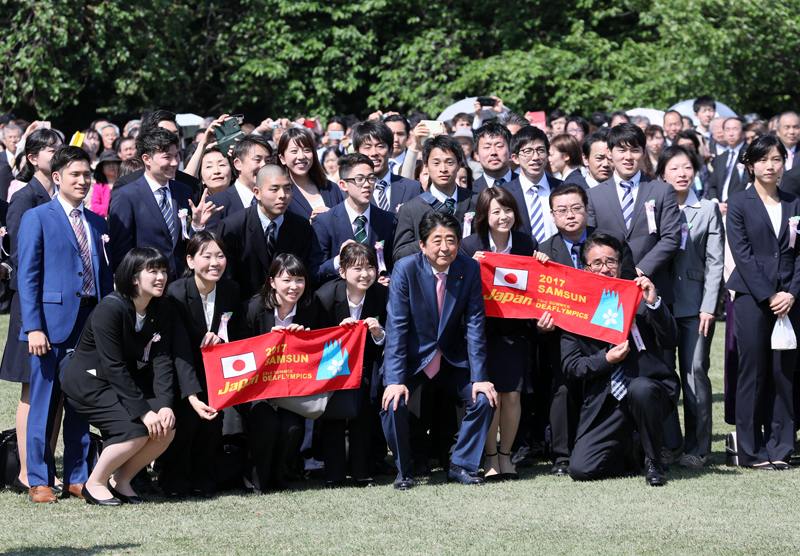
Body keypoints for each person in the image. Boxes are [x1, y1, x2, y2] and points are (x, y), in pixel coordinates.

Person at [17, 147, 114, 503]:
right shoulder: (37, 217)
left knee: (81, 401)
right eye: (75, 174)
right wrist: (34, 327)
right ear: (57, 177)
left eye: (87, 174)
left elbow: (105, 276)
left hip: (90, 322)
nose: (83, 180)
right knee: (44, 402)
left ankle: (77, 476)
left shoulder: (98, 222)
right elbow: (27, 277)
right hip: (51, 324)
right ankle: (39, 479)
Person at [381, 211, 497, 489]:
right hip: (412, 361)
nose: (445, 247)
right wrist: (395, 380)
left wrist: (480, 377)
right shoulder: (405, 269)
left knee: (484, 399)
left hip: (450, 361)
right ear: (422, 245)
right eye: (437, 241)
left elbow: (474, 325)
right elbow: (396, 327)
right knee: (392, 402)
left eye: (451, 240)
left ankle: (461, 465)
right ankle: (404, 471)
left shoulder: (468, 268)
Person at [563, 232, 680, 486]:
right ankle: (630, 450)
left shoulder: (639, 295)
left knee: (640, 388)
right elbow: (571, 366)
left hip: (650, 389)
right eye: (597, 263)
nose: (605, 268)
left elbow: (671, 340)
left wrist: (655, 304)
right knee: (581, 470)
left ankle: (653, 462)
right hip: (607, 398)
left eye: (611, 262)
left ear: (620, 264)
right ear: (586, 268)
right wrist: (606, 359)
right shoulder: (575, 305)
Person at [61, 247, 176, 505]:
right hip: (88, 381)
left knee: (166, 429)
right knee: (136, 429)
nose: (161, 277)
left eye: (164, 271)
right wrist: (145, 411)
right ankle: (95, 483)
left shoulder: (160, 308)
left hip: (123, 382)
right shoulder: (109, 309)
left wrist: (165, 406)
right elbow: (114, 366)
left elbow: (162, 358)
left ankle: (121, 481)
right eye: (153, 271)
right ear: (134, 277)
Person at [537, 184, 637, 476]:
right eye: (562, 210)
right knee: (563, 386)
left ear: (586, 210)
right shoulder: (544, 250)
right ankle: (562, 456)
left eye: (576, 208)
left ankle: (624, 445)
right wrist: (542, 326)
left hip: (609, 330)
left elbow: (626, 283)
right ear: (553, 216)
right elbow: (540, 298)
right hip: (566, 335)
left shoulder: (609, 242)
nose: (570, 215)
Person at [459, 187, 552, 480]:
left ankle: (505, 454)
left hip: (514, 332)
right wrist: (469, 268)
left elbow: (538, 285)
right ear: (484, 215)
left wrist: (542, 264)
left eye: (508, 210)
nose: (503, 217)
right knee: (489, 396)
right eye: (496, 211)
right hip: (481, 331)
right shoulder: (468, 245)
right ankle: (489, 458)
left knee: (512, 396)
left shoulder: (527, 243)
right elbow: (458, 289)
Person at [726, 134, 800, 470]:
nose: (771, 166)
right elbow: (741, 254)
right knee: (752, 372)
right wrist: (769, 294)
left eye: (777, 159)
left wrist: (791, 292)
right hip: (752, 298)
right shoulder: (739, 203)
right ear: (750, 164)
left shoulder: (795, 203)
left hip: (790, 300)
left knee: (783, 372)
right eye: (763, 160)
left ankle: (781, 446)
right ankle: (751, 450)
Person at [0, 128, 62, 494]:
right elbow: (24, 262)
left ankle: (44, 467)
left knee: (54, 392)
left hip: (60, 307)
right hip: (32, 305)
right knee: (31, 390)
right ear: (33, 158)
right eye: (51, 150)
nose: (58, 155)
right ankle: (27, 471)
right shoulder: (25, 198)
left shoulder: (61, 196)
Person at [157, 231, 240, 499]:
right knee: (187, 422)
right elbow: (178, 348)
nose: (215, 262)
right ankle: (174, 478)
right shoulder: (176, 294)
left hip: (216, 372)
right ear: (191, 261)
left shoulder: (231, 290)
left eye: (220, 255)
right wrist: (191, 394)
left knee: (213, 424)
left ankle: (204, 478)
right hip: (181, 367)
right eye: (207, 256)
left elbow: (236, 334)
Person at [655, 146, 724, 468]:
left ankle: (699, 447)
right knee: (665, 375)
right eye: (674, 168)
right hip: (661, 305)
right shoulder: (652, 207)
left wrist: (710, 306)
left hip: (697, 307)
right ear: (662, 174)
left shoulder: (707, 208)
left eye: (687, 168)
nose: (682, 174)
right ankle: (672, 444)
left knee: (696, 372)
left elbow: (715, 262)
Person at [314, 243, 387, 488]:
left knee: (364, 414)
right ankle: (334, 474)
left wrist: (378, 332)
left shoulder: (381, 296)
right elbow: (314, 337)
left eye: (370, 268)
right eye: (357, 268)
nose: (365, 274)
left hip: (366, 365)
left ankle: (362, 471)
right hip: (332, 366)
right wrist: (336, 334)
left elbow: (388, 338)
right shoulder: (325, 296)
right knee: (333, 415)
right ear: (342, 272)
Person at [241, 253, 313, 492]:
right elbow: (240, 353)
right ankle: (255, 478)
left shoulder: (308, 310)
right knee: (268, 423)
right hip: (256, 389)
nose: (294, 287)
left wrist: (304, 339)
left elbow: (318, 352)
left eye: (300, 280)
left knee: (292, 427)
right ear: (272, 282)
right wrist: (266, 344)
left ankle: (280, 475)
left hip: (291, 389)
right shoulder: (253, 310)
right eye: (287, 280)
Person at [586, 123, 682, 305]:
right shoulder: (593, 195)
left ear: (644, 152)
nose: (628, 157)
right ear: (609, 152)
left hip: (652, 284)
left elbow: (671, 238)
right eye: (621, 150)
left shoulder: (662, 191)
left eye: (635, 150)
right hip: (608, 288)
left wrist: (641, 269)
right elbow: (591, 242)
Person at [107, 127, 219, 279]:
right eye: (167, 157)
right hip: (146, 289)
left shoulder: (184, 191)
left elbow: (186, 244)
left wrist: (197, 226)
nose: (174, 163)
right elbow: (121, 254)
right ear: (146, 159)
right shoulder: (126, 196)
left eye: (177, 156)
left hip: (182, 285)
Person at [218, 164, 312, 300]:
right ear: (257, 193)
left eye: (287, 189)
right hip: (246, 309)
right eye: (274, 189)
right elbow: (228, 279)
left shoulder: (301, 226)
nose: (283, 195)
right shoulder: (233, 227)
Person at [309, 153, 396, 285]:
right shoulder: (324, 222)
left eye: (371, 178)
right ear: (343, 185)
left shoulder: (389, 220)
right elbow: (314, 272)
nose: (367, 184)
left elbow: (393, 263)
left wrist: (388, 278)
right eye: (359, 179)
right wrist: (339, 260)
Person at [392, 135, 478, 261]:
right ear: (426, 166)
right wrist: (430, 240)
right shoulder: (410, 209)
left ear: (459, 165)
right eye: (436, 163)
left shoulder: (476, 201)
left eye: (449, 162)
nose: (443, 169)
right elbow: (399, 254)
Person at [504, 125, 563, 244]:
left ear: (547, 155)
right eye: (528, 151)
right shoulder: (505, 194)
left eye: (540, 150)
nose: (535, 157)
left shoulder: (563, 189)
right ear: (515, 158)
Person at [352, 120, 422, 216]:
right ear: (356, 153)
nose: (374, 153)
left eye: (380, 146)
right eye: (367, 147)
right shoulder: (348, 192)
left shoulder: (412, 188)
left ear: (391, 151)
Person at [205, 135, 272, 232]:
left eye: (268, 161)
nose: (263, 165)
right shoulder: (216, 204)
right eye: (257, 160)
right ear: (238, 164)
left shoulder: (274, 198)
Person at [279, 127, 343, 222]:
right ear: (282, 158)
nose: (301, 156)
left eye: (307, 150)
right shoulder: (281, 195)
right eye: (294, 151)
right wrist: (309, 225)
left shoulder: (331, 188)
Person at [706, 118, 748, 215]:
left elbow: (747, 182)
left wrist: (727, 204)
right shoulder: (722, 157)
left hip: (739, 208)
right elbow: (712, 184)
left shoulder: (750, 154)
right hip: (719, 210)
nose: (731, 133)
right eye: (727, 130)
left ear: (743, 133)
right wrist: (715, 203)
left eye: (735, 129)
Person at [471, 122, 517, 192]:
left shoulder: (526, 185)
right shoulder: (470, 192)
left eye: (499, 146)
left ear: (510, 151)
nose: (493, 152)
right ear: (477, 155)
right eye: (487, 147)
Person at [90, 150, 121, 217]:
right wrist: (114, 209)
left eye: (114, 162)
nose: (112, 166)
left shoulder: (125, 184)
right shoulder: (98, 187)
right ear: (102, 167)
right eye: (107, 163)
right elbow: (95, 207)